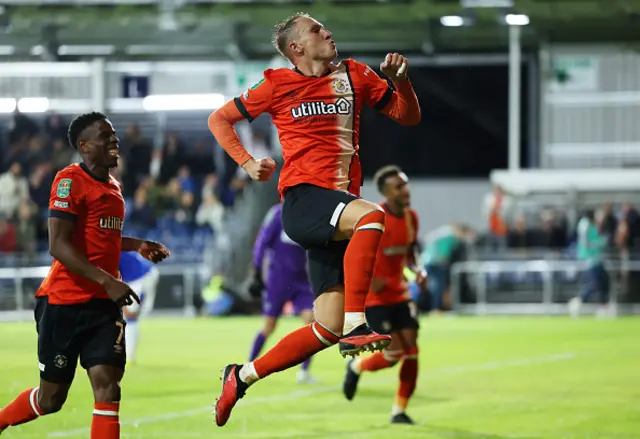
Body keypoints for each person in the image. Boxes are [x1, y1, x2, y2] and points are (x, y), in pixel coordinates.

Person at [208, 12, 421, 426]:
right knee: (373, 217)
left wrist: (404, 82)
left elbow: (407, 116)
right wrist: (247, 163)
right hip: (305, 200)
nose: (328, 32)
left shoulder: (355, 74)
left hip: (338, 208)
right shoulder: (275, 83)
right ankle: (360, 323)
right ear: (297, 48)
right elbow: (220, 120)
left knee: (326, 328)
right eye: (316, 30)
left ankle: (242, 376)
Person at [0, 112, 170, 438]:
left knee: (108, 389)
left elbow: (102, 238)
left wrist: (137, 246)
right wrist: (108, 280)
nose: (114, 140)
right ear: (84, 146)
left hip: (103, 305)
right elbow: (58, 244)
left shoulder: (115, 186)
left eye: (114, 135)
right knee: (51, 399)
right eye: (105, 136)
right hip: (64, 303)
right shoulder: (69, 180)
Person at [341, 165, 425, 425]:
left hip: (400, 295)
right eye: (399, 186)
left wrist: (417, 270)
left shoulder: (411, 218)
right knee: (393, 355)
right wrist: (368, 278)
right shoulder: (374, 216)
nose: (406, 189)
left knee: (411, 350)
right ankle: (356, 367)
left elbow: (410, 254)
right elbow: (356, 250)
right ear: (387, 193)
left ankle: (399, 411)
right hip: (374, 299)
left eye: (405, 183)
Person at [248, 203, 316, 384]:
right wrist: (256, 271)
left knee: (311, 322)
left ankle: (304, 372)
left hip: (301, 280)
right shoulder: (277, 214)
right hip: (277, 279)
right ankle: (248, 366)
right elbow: (262, 241)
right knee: (269, 326)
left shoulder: (308, 216)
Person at [119, 251, 161, 363]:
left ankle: (129, 356)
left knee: (129, 316)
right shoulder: (116, 244)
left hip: (141, 278)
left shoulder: (108, 252)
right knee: (130, 315)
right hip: (146, 273)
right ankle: (128, 354)